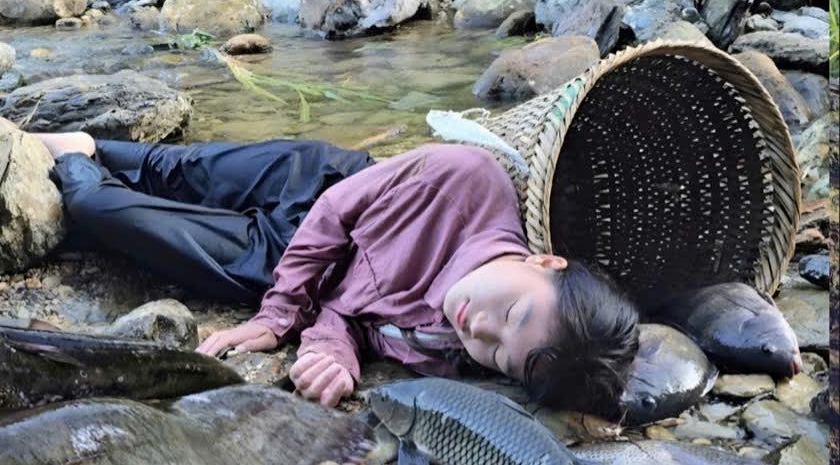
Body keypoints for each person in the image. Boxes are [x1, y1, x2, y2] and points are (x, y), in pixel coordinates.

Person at [37, 132, 640, 419]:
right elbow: (334, 211)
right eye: (512, 314)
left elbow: (348, 316)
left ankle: (70, 159)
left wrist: (332, 353)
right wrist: (277, 317)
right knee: (170, 167)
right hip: (318, 183)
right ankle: (76, 143)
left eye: (500, 355)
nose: (480, 329)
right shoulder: (470, 177)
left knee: (98, 208)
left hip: (270, 259)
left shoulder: (448, 351)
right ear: (544, 261)